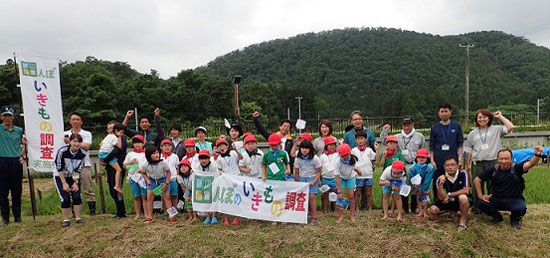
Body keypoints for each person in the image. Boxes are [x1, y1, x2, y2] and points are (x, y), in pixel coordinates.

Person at [474, 146, 544, 229]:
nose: (503, 161)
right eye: (501, 159)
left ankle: (515, 218)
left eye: (506, 159)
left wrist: (537, 155)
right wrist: (480, 195)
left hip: (514, 200)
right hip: (496, 199)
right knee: (481, 203)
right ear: (497, 159)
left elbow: (530, 164)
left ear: (511, 159)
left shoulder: (516, 168)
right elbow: (477, 180)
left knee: (521, 209)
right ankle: (497, 216)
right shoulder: (493, 169)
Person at [465, 110, 514, 214]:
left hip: (493, 162)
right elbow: (469, 150)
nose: (482, 119)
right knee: (476, 186)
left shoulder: (496, 129)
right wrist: (468, 163)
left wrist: (500, 116)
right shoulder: (472, 133)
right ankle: (477, 208)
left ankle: (493, 208)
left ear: (489, 118)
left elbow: (510, 127)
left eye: (484, 117)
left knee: (493, 185)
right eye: (479, 117)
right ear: (476, 119)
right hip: (477, 163)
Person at [64, 112, 96, 216]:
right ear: (70, 121)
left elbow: (86, 146)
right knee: (73, 186)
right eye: (73, 119)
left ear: (81, 121)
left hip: (84, 163)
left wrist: (72, 142)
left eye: (77, 119)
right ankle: (75, 211)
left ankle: (92, 209)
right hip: (70, 165)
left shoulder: (86, 134)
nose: (75, 121)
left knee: (87, 185)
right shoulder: (65, 134)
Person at [428, 156, 470, 231]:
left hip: (458, 200)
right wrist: (441, 184)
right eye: (447, 165)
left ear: (457, 165)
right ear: (444, 167)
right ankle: (450, 212)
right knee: (432, 209)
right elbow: (441, 197)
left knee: (463, 197)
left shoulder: (463, 173)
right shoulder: (440, 178)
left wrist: (450, 194)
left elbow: (466, 190)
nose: (450, 167)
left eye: (452, 165)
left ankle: (463, 221)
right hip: (447, 201)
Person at [429, 103, 464, 194]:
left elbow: (460, 144)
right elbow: (431, 146)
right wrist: (432, 161)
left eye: (446, 111)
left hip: (453, 161)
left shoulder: (456, 126)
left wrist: (460, 159)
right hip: (439, 161)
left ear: (450, 112)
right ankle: (438, 202)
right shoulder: (434, 128)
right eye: (442, 111)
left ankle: (453, 202)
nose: (444, 113)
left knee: (453, 182)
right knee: (438, 182)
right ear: (438, 113)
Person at [54, 134, 87, 227]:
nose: (77, 144)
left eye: (79, 142)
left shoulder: (82, 154)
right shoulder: (62, 151)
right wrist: (64, 183)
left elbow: (78, 170)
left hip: (73, 175)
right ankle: (66, 219)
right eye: (75, 141)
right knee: (65, 198)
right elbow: (59, 168)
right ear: (70, 141)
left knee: (77, 195)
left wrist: (75, 183)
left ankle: (78, 217)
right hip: (60, 176)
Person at [0, 105, 25, 225]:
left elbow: (26, 143)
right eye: (5, 116)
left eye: (9, 115)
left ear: (13, 117)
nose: (7, 118)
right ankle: (5, 218)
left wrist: (23, 155)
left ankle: (17, 217)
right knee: (2, 190)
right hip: (2, 161)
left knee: (16, 190)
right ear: (1, 117)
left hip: (15, 161)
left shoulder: (19, 130)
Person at [140, 146, 175, 223]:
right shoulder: (145, 165)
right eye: (153, 153)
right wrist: (147, 180)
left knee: (167, 197)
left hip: (163, 179)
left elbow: (168, 172)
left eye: (157, 153)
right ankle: (149, 217)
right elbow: (143, 172)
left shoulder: (163, 163)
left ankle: (171, 215)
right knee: (149, 197)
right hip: (152, 180)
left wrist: (166, 182)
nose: (157, 155)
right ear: (148, 155)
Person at [215, 138, 244, 226]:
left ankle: (236, 217)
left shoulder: (233, 153)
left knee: (236, 197)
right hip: (226, 179)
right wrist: (219, 172)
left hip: (236, 178)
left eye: (223, 145)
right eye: (219, 146)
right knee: (226, 198)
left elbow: (241, 158)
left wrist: (236, 150)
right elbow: (219, 169)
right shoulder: (219, 158)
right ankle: (226, 218)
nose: (222, 147)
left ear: (227, 146)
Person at [294, 140, 322, 225]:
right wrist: (297, 182)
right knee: (303, 197)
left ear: (310, 149)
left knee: (312, 197)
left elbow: (319, 172)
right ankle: (304, 215)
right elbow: (297, 171)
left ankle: (314, 217)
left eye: (306, 148)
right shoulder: (298, 158)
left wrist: (314, 181)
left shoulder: (315, 159)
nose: (304, 150)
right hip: (303, 179)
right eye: (302, 148)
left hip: (312, 178)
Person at [334, 144, 361, 223]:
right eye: (343, 155)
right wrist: (339, 191)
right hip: (341, 178)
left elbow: (360, 173)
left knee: (351, 196)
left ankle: (352, 215)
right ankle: (341, 216)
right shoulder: (337, 162)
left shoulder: (353, 160)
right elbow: (337, 177)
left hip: (350, 178)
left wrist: (358, 171)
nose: (345, 156)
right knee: (340, 197)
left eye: (347, 154)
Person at [123, 135, 147, 220]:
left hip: (144, 177)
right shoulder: (130, 154)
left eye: (139, 143)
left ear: (143, 143)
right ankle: (137, 214)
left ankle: (146, 214)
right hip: (133, 177)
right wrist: (130, 162)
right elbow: (124, 165)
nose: (137, 145)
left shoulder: (146, 153)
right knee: (136, 196)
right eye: (135, 143)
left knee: (144, 196)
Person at [351, 131, 376, 213]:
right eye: (358, 139)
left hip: (368, 175)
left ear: (365, 139)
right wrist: (356, 170)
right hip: (358, 176)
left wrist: (377, 149)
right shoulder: (354, 151)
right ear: (356, 140)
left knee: (369, 193)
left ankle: (370, 209)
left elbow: (374, 160)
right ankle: (357, 209)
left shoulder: (369, 150)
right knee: (357, 193)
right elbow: (352, 163)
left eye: (362, 138)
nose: (360, 141)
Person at [98, 122, 125, 195]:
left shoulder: (107, 137)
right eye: (109, 128)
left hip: (101, 154)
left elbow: (100, 144)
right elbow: (119, 147)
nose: (111, 130)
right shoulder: (114, 137)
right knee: (119, 169)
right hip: (107, 154)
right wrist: (119, 137)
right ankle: (117, 186)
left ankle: (113, 183)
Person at [193, 149, 219, 224]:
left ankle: (214, 216)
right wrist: (193, 172)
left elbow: (215, 175)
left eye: (205, 158)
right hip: (203, 186)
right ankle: (207, 216)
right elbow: (196, 174)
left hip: (213, 185)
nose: (203, 161)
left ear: (209, 159)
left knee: (213, 199)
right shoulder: (197, 167)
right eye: (201, 159)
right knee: (204, 199)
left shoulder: (213, 166)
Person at [408, 149, 434, 219]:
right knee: (418, 195)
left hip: (426, 183)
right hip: (417, 184)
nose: (421, 159)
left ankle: (425, 211)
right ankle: (420, 211)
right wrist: (415, 185)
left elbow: (428, 178)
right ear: (416, 158)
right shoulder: (413, 167)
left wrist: (425, 188)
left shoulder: (430, 167)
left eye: (423, 157)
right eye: (419, 157)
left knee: (425, 195)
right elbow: (411, 177)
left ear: (427, 158)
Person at [159, 139, 180, 210]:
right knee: (165, 196)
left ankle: (175, 209)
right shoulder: (159, 157)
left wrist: (177, 176)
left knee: (174, 195)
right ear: (161, 147)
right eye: (165, 146)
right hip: (163, 180)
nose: (167, 147)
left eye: (169, 145)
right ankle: (166, 210)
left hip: (173, 179)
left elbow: (177, 167)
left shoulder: (175, 156)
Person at [320, 137, 339, 213]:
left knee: (334, 194)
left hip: (334, 178)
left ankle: (335, 209)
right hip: (325, 178)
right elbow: (319, 167)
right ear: (326, 146)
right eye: (329, 145)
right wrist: (319, 179)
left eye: (333, 145)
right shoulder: (322, 156)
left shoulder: (337, 155)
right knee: (325, 195)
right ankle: (325, 210)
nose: (332, 146)